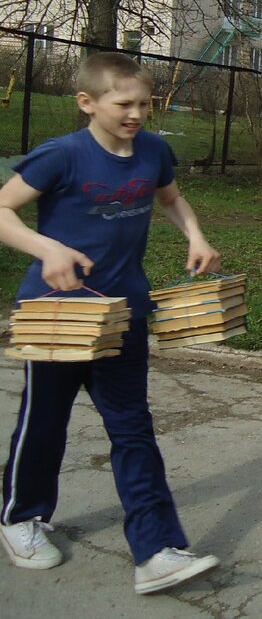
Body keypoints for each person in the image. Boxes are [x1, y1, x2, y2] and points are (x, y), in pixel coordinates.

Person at [0, 52, 222, 593]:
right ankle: (20, 518)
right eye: (124, 103)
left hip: (124, 313)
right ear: (88, 103)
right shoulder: (62, 156)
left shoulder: (153, 151)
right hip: (59, 315)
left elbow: (170, 198)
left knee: (133, 429)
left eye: (144, 103)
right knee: (45, 422)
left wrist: (194, 234)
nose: (136, 114)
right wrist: (47, 248)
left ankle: (155, 550)